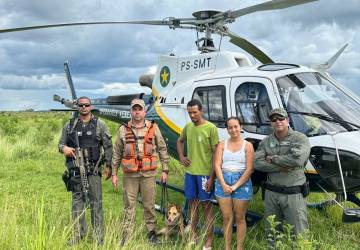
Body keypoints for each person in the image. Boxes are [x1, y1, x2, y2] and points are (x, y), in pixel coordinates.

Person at [111, 98, 169, 245]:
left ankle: (151, 233)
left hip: (148, 175)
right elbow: (117, 152)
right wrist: (114, 173)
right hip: (130, 175)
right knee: (129, 205)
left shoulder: (153, 128)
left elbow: (162, 148)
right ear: (131, 111)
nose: (137, 112)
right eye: (134, 109)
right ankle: (126, 234)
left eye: (140, 109)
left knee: (149, 205)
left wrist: (165, 169)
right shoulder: (123, 129)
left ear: (144, 111)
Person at [58, 96, 113, 246]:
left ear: (91, 106)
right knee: (77, 203)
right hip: (75, 172)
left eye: (86, 105)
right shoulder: (69, 126)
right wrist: (65, 149)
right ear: (77, 107)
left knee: (96, 204)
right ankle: (78, 235)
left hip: (94, 171)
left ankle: (98, 238)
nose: (83, 108)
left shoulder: (100, 125)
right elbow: (60, 145)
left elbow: (108, 146)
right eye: (81, 105)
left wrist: (109, 166)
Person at [254, 108, 311, 241]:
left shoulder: (300, 138)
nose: (278, 121)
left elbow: (297, 160)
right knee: (272, 234)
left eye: (281, 118)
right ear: (271, 123)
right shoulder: (266, 141)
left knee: (299, 235)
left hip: (293, 194)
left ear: (287, 120)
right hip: (271, 194)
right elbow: (256, 162)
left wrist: (273, 158)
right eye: (274, 119)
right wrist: (281, 168)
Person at [177, 99, 219, 250]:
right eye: (189, 113)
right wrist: (182, 157)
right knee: (193, 206)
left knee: (207, 206)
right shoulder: (188, 127)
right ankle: (193, 236)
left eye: (195, 112)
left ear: (201, 111)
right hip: (190, 174)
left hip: (204, 175)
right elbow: (180, 141)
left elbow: (216, 154)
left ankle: (209, 241)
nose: (192, 115)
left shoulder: (211, 128)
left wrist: (212, 177)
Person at [214, 117, 254, 250]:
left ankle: (239, 248)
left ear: (240, 127)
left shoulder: (247, 145)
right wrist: (224, 184)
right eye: (230, 127)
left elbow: (249, 169)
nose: (233, 129)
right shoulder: (222, 144)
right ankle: (227, 247)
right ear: (227, 129)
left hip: (241, 181)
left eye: (236, 126)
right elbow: (217, 165)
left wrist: (235, 186)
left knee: (240, 217)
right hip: (223, 180)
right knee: (227, 217)